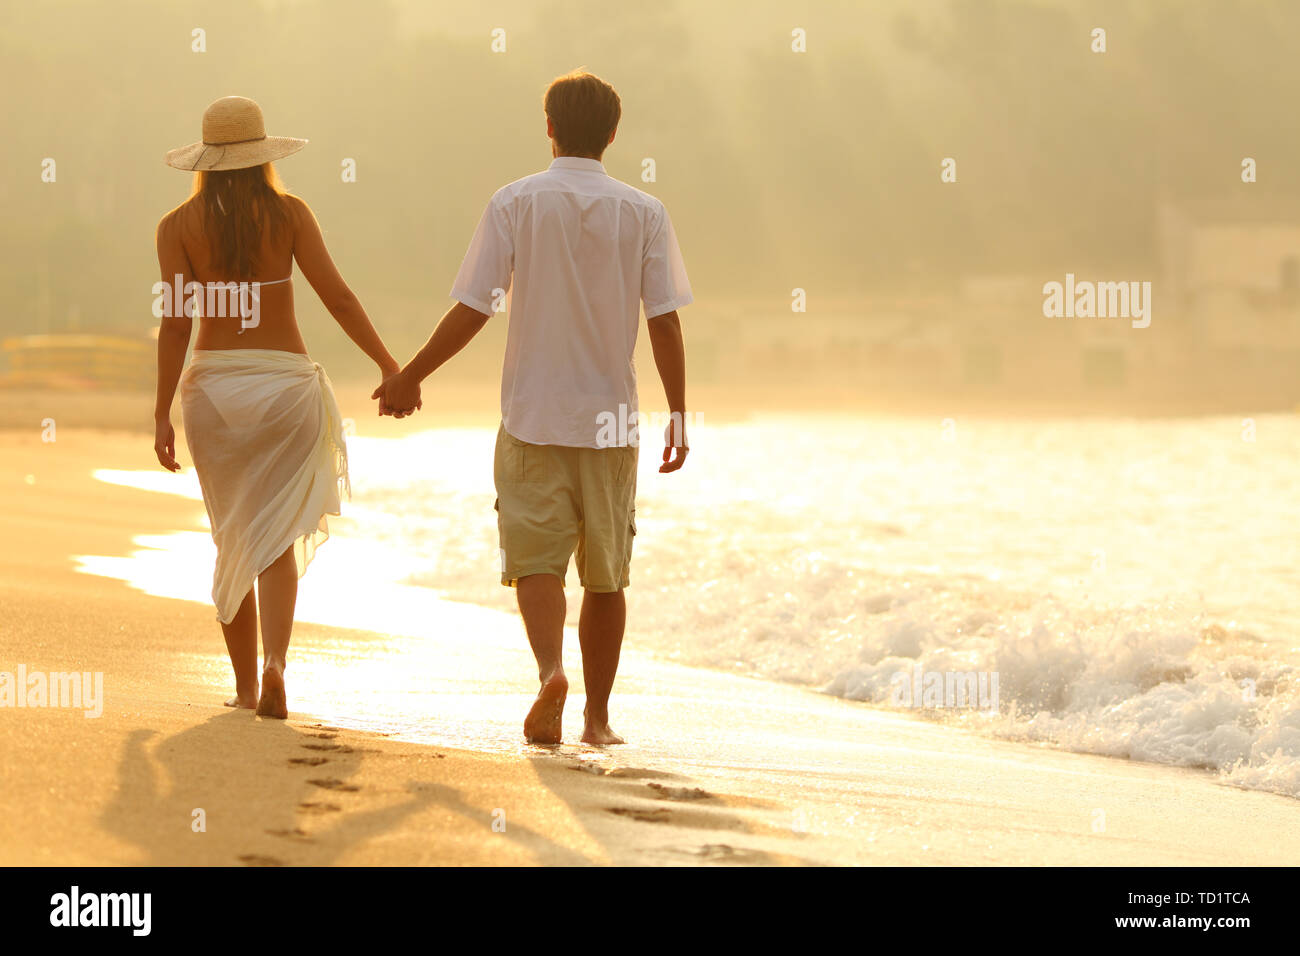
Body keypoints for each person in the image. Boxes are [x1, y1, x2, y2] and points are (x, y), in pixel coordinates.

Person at [374, 70, 692, 745]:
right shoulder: (645, 212)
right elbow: (663, 321)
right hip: (610, 420)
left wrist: (411, 375)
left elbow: (475, 307)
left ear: (548, 127)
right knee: (606, 574)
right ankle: (599, 720)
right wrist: (681, 416)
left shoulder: (515, 202)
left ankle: (550, 671)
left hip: (530, 416)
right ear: (612, 133)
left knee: (537, 562)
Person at [153, 96, 410, 719]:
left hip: (213, 390)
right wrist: (389, 364)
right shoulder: (289, 215)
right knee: (274, 537)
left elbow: (174, 325)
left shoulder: (177, 227)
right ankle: (275, 665)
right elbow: (339, 297)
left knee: (233, 531)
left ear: (206, 161)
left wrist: (160, 412)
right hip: (286, 388)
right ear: (263, 155)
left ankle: (244, 688)